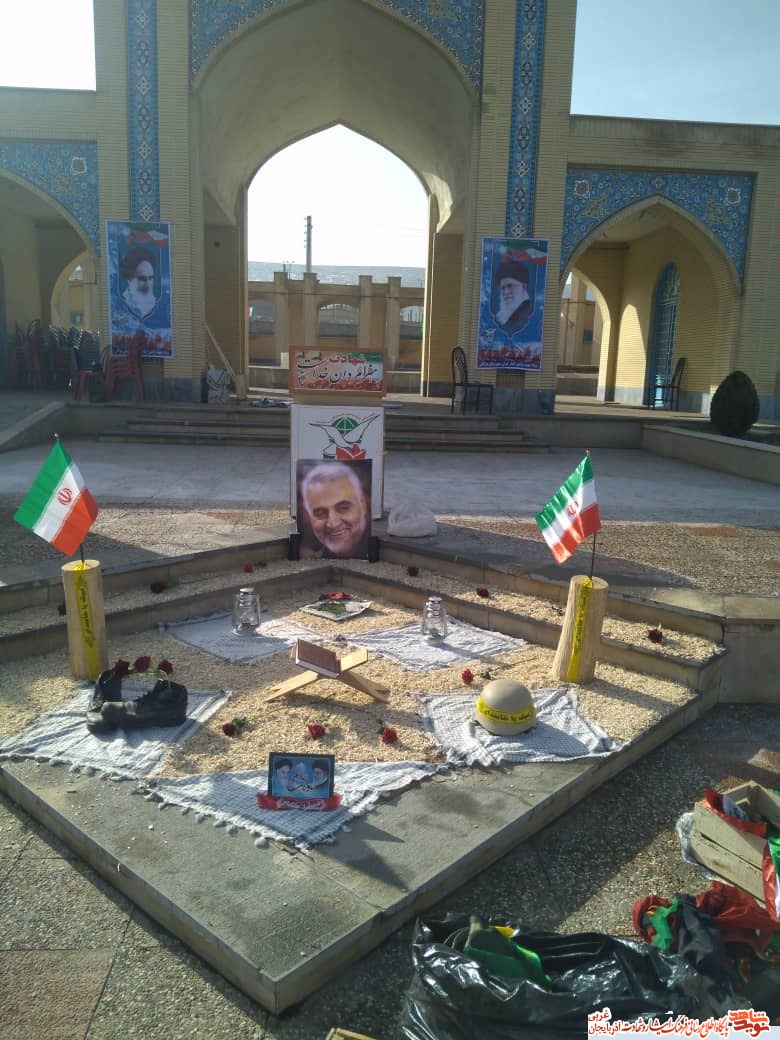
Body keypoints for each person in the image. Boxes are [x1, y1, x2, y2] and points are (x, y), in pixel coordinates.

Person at [298, 461, 370, 558]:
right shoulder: (312, 555)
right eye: (320, 513)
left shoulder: (378, 549)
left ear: (363, 506)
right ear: (308, 516)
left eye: (343, 508)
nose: (333, 523)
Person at [494, 255, 533, 335]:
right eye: (503, 288)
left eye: (510, 286)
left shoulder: (526, 313)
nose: (506, 292)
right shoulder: (502, 315)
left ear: (524, 286)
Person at [120, 246, 159, 320]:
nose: (148, 285)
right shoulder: (120, 304)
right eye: (142, 279)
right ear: (129, 279)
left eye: (150, 278)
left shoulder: (155, 304)